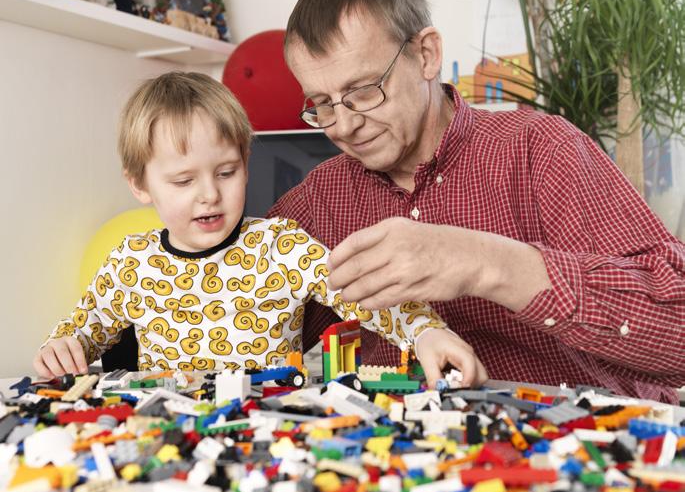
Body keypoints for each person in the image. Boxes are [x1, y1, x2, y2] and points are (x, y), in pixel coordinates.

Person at [269, 0, 685, 403]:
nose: (345, 125)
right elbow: (232, 312)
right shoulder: (317, 201)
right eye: (322, 104)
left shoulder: (541, 150)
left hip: (580, 446)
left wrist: (484, 262)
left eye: (365, 90)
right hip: (402, 461)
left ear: (426, 54)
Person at [33, 72, 483, 387]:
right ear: (140, 184)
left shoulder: (280, 246)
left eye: (226, 172)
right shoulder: (130, 262)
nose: (209, 194)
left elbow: (366, 295)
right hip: (167, 438)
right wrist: (62, 348)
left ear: (247, 164)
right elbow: (81, 331)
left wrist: (426, 332)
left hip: (269, 435)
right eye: (184, 181)